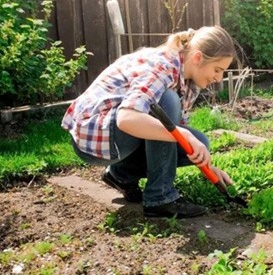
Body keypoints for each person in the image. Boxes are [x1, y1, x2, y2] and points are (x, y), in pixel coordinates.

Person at [62, 26, 236, 218]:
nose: (219, 78)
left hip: (119, 136)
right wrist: (183, 134)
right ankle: (160, 199)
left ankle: (120, 175)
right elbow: (126, 118)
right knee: (166, 100)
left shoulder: (189, 81)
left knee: (199, 143)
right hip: (96, 136)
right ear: (197, 58)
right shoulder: (163, 66)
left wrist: (207, 167)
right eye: (217, 70)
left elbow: (176, 129)